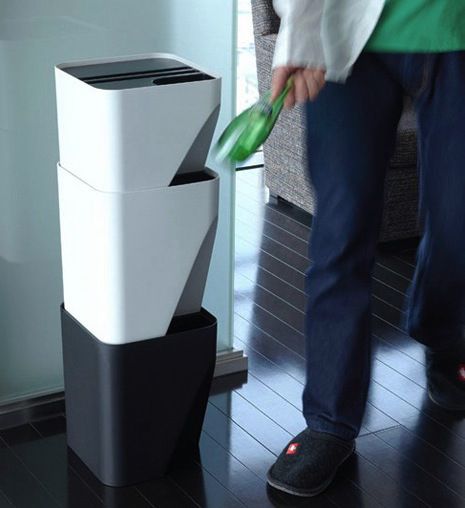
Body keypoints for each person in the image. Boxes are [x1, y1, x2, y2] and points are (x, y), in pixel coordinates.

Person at [266, 0, 465, 498]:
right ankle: (329, 422)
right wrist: (302, 32)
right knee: (341, 229)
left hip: (455, 29)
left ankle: (443, 333)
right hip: (343, 32)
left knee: (459, 218)